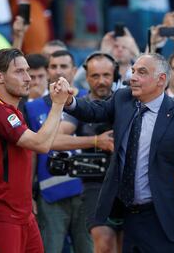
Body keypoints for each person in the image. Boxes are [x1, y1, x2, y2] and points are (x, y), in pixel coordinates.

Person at [64, 53, 174, 252]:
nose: (132, 77)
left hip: (163, 216)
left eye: (142, 72)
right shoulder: (122, 98)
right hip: (127, 213)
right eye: (133, 71)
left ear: (161, 80)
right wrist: (70, 102)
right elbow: (94, 110)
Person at [0, 48, 70, 253]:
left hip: (22, 214)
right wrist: (58, 104)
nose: (28, 78)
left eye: (28, 71)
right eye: (20, 72)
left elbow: (43, 142)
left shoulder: (12, 111)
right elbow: (41, 144)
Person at [24, 50, 93, 253]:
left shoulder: (87, 99)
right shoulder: (33, 107)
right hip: (50, 194)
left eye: (64, 66)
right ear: (47, 71)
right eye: (53, 66)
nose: (58, 71)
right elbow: (32, 153)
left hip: (86, 190)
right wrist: (29, 193)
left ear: (74, 70)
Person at [58, 52, 122, 252]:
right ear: (86, 77)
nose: (101, 81)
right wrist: (95, 141)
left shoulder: (126, 102)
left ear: (115, 76)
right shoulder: (79, 106)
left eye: (106, 75)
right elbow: (54, 139)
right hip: (95, 183)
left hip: (125, 181)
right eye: (95, 76)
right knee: (103, 242)